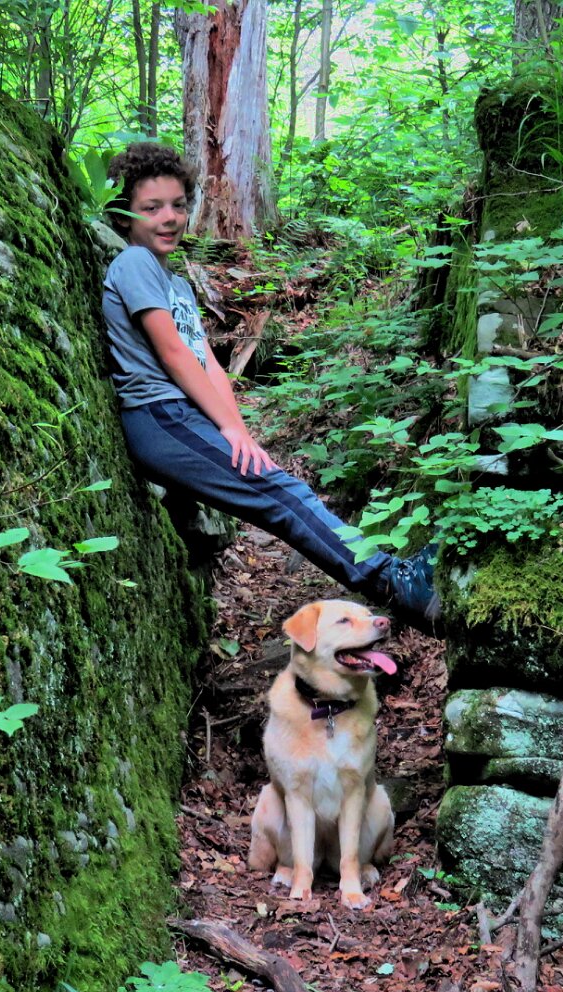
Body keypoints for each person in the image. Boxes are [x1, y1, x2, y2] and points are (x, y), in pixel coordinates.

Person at [99, 141, 439, 631]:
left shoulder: (177, 283)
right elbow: (173, 354)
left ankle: (393, 576)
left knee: (279, 487)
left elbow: (210, 367)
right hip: (159, 415)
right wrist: (228, 429)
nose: (169, 217)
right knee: (278, 494)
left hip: (182, 415)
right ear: (126, 215)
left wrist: (239, 431)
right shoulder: (134, 263)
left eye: (177, 204)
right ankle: (395, 583)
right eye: (152, 208)